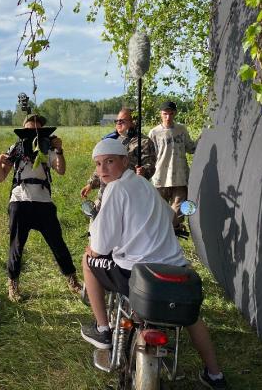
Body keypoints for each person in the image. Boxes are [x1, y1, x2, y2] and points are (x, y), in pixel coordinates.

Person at [80, 138, 227, 389]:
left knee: (87, 260)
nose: (103, 169)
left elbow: (102, 246)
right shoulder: (143, 184)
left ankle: (103, 329)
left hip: (135, 273)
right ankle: (215, 375)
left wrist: (92, 249)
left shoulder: (115, 189)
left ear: (125, 161)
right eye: (98, 164)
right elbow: (170, 216)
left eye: (110, 161)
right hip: (176, 270)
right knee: (192, 318)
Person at [0, 113, 82, 302]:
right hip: (19, 200)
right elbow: (0, 178)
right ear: (23, 130)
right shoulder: (15, 149)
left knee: (57, 243)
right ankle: (13, 284)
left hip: (43, 201)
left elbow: (61, 170)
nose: (32, 132)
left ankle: (72, 280)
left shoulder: (47, 148)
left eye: (36, 128)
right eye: (29, 128)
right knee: (16, 245)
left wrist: (59, 150)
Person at [80, 107, 156, 206]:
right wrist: (90, 184)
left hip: (128, 195)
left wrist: (143, 171)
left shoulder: (144, 142)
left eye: (122, 121)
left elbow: (150, 165)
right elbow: (101, 166)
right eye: (117, 121)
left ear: (133, 122)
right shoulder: (111, 141)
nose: (118, 123)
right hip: (104, 195)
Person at [148, 101, 196, 226]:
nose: (168, 117)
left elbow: (190, 148)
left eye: (170, 113)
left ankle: (174, 236)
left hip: (180, 177)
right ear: (160, 114)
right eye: (165, 114)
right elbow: (150, 156)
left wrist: (203, 138)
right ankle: (161, 238)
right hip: (160, 178)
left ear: (175, 113)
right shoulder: (154, 133)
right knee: (159, 212)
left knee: (178, 213)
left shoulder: (181, 130)